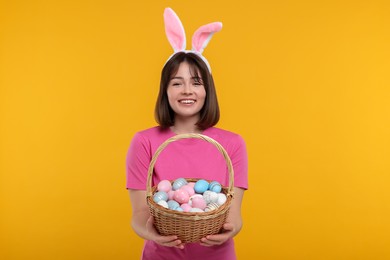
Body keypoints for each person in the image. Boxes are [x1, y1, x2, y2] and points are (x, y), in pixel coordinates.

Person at [126, 8, 248, 260]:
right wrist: (150, 232)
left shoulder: (232, 144)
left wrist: (229, 230)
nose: (187, 90)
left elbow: (235, 217)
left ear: (207, 90)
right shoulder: (145, 142)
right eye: (176, 82)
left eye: (196, 82)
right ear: (166, 91)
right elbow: (138, 216)